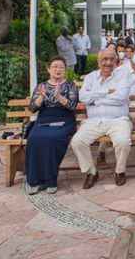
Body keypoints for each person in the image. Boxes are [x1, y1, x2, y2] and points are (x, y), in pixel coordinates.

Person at [71, 48, 131, 188]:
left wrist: (96, 99)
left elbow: (121, 97)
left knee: (123, 142)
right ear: (98, 61)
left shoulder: (123, 76)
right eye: (104, 59)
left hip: (118, 120)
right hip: (93, 121)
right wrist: (105, 92)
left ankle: (120, 171)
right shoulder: (90, 77)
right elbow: (83, 97)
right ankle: (91, 172)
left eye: (111, 59)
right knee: (77, 142)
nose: (108, 62)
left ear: (116, 61)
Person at [25, 56, 79, 195]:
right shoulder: (42, 86)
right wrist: (41, 97)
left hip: (65, 119)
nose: (58, 69)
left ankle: (50, 179)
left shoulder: (70, 85)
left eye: (61, 67)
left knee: (53, 139)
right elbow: (32, 108)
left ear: (65, 69)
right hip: (44, 119)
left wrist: (60, 97)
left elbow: (73, 107)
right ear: (48, 69)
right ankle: (34, 180)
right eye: (54, 66)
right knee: (34, 138)